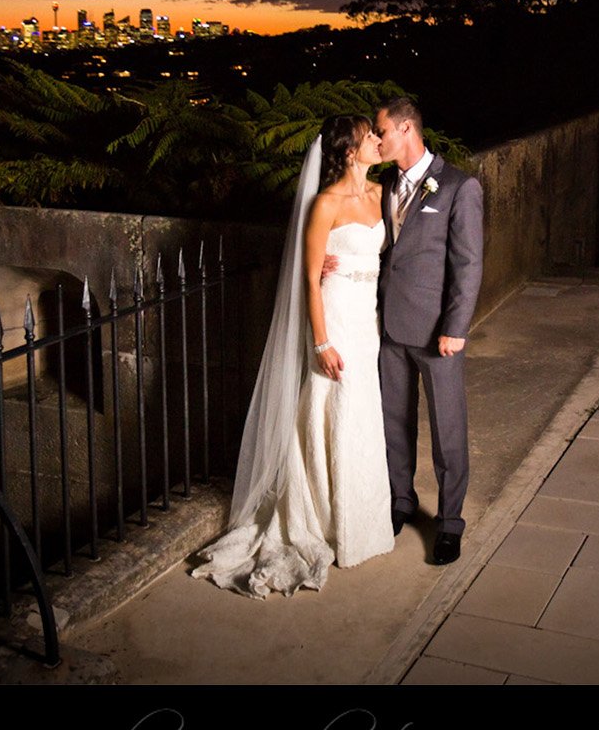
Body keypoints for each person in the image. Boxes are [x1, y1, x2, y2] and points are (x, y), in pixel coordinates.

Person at [191, 116, 394, 597]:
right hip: (337, 314)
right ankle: (325, 518)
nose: (377, 141)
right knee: (330, 409)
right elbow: (308, 278)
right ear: (349, 151)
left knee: (362, 412)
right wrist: (321, 342)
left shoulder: (381, 193)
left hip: (369, 319)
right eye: (370, 136)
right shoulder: (325, 203)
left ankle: (363, 521)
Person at [374, 96, 483, 565]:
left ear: (406, 130)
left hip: (438, 331)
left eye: (381, 132)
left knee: (447, 431)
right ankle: (401, 501)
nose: (376, 141)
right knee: (394, 424)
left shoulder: (459, 186)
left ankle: (450, 523)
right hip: (389, 328)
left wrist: (455, 326)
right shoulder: (383, 184)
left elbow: (468, 262)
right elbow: (386, 253)